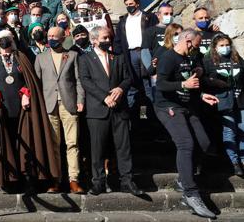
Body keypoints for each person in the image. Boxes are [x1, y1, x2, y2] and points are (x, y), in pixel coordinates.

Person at [154, 28, 219, 218]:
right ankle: (190, 193)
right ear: (188, 41)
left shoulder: (189, 59)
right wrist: (183, 85)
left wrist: (201, 95)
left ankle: (184, 177)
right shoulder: (168, 58)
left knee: (205, 143)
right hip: (168, 107)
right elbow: (161, 84)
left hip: (188, 106)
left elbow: (190, 84)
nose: (197, 50)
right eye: (196, 46)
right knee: (186, 144)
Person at [0, 30, 60, 191]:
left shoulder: (21, 57)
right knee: (8, 143)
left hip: (23, 109)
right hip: (4, 110)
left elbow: (30, 81)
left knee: (27, 141)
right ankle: (11, 180)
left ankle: (29, 179)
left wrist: (26, 93)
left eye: (7, 43)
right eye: (1, 44)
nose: (5, 48)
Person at [78, 26, 142, 196]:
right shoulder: (85, 59)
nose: (108, 40)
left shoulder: (117, 57)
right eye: (105, 38)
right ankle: (98, 182)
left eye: (109, 38)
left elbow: (128, 78)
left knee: (124, 147)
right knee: (97, 149)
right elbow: (86, 81)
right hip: (98, 110)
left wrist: (120, 89)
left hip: (119, 109)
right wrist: (104, 97)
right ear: (94, 40)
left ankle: (127, 181)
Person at [34, 27, 85, 194]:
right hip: (49, 105)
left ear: (63, 38)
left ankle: (73, 180)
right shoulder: (40, 58)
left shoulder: (73, 55)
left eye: (55, 36)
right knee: (53, 144)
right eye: (49, 36)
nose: (51, 38)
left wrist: (80, 100)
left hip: (69, 104)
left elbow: (78, 80)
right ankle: (55, 179)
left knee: (72, 143)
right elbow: (37, 84)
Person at [203, 34, 244, 175]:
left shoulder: (236, 57)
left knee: (242, 129)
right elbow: (205, 80)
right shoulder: (208, 60)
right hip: (224, 101)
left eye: (227, 45)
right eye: (221, 45)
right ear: (215, 47)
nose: (225, 48)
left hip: (240, 99)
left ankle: (243, 159)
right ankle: (234, 162)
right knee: (229, 131)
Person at [113, 0, 158, 111]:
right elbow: (117, 41)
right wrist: (119, 57)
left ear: (137, 4)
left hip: (145, 52)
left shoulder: (148, 17)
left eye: (131, 4)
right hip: (130, 55)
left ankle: (152, 115)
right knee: (132, 84)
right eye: (126, 4)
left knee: (148, 83)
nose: (129, 6)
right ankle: (135, 116)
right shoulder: (123, 21)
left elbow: (156, 35)